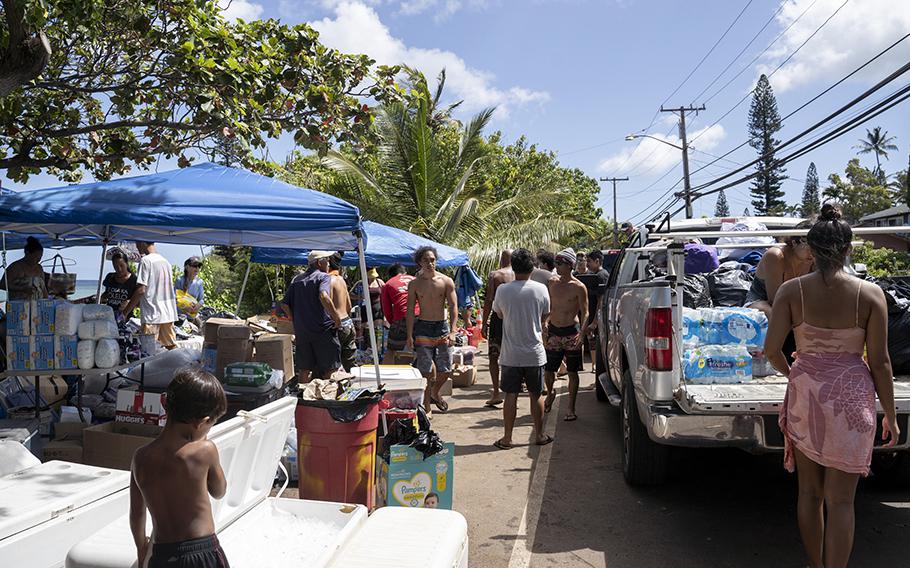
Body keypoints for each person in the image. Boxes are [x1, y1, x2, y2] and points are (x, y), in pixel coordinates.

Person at [766, 204, 898, 568]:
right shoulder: (870, 294)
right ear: (848, 248)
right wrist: (890, 413)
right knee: (841, 500)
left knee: (809, 493)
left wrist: (792, 373)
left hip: (806, 394)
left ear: (810, 247)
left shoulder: (791, 292)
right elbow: (881, 361)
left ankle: (815, 564)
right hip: (852, 397)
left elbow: (771, 349)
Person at [130, 368, 229, 568]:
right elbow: (219, 492)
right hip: (202, 553)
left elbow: (137, 513)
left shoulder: (140, 458)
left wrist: (141, 547)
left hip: (162, 556)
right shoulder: (205, 451)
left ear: (164, 404)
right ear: (203, 422)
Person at [491, 248, 553, 450]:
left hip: (510, 353)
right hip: (534, 352)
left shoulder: (503, 290)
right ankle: (540, 435)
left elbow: (499, 315)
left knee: (511, 394)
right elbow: (545, 315)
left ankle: (507, 438)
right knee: (536, 395)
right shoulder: (541, 289)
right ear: (532, 267)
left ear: (513, 266)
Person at [406, 246, 458, 414]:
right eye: (426, 260)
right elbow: (409, 310)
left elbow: (453, 306)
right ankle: (427, 407)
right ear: (419, 262)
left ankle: (435, 392)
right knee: (425, 371)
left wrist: (453, 330)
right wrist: (409, 335)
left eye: (432, 260)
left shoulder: (446, 281)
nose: (429, 263)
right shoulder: (414, 284)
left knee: (446, 369)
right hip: (423, 327)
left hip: (441, 327)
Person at [280, 251, 341, 382]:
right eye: (327, 260)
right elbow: (324, 296)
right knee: (330, 369)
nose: (329, 263)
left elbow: (284, 304)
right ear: (319, 263)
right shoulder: (323, 277)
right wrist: (336, 317)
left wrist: (294, 319)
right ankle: (328, 398)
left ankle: (302, 397)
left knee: (304, 369)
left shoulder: (297, 280)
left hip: (303, 332)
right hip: (322, 331)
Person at [543, 248, 588, 422]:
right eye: (556, 263)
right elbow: (549, 307)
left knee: (572, 371)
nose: (557, 267)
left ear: (569, 266)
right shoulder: (552, 283)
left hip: (571, 332)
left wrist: (582, 335)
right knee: (549, 369)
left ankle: (570, 407)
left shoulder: (578, 287)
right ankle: (550, 392)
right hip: (554, 331)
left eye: (560, 264)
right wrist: (545, 323)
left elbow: (585, 312)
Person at [745, 221, 814, 319]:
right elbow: (775, 300)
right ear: (794, 243)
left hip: (795, 305)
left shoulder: (813, 260)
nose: (813, 253)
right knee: (775, 315)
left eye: (816, 249)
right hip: (762, 302)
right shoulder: (775, 256)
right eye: (809, 249)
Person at [129, 242, 178, 350]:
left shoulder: (146, 260)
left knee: (147, 352)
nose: (137, 247)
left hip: (152, 314)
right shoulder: (166, 262)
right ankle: (178, 367)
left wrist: (126, 311)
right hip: (167, 313)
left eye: (137, 244)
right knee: (171, 348)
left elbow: (141, 290)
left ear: (143, 243)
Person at [481, 250, 514, 408]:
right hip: (515, 319)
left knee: (494, 356)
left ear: (502, 259)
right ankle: (511, 391)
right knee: (513, 355)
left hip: (498, 319)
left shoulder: (495, 275)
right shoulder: (521, 275)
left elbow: (489, 300)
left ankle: (496, 392)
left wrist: (484, 322)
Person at [381, 263, 417, 363]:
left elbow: (386, 309)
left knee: (391, 350)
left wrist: (393, 323)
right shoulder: (415, 280)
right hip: (421, 316)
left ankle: (384, 376)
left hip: (402, 316)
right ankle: (430, 377)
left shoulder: (388, 284)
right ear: (405, 272)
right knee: (423, 349)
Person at [328, 253, 356, 372]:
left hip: (338, 324)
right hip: (348, 323)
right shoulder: (341, 280)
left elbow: (326, 302)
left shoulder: (328, 280)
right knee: (350, 363)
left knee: (333, 363)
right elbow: (349, 305)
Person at [581, 249, 610, 357]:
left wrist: (594, 322)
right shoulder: (598, 275)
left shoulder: (601, 276)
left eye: (589, 261)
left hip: (598, 321)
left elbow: (601, 300)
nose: (587, 265)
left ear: (597, 261)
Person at [0, 236, 47, 301]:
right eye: (35, 256)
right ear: (27, 253)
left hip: (37, 304)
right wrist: (22, 288)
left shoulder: (39, 268)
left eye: (40, 257)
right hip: (19, 305)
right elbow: (2, 285)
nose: (38, 260)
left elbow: (43, 289)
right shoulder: (15, 267)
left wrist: (47, 301)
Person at [101, 248, 139, 317]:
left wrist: (129, 302)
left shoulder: (134, 279)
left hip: (125, 317)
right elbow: (106, 294)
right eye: (115, 266)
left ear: (127, 264)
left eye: (121, 265)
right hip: (109, 315)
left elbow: (139, 301)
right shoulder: (110, 277)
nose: (119, 269)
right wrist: (102, 297)